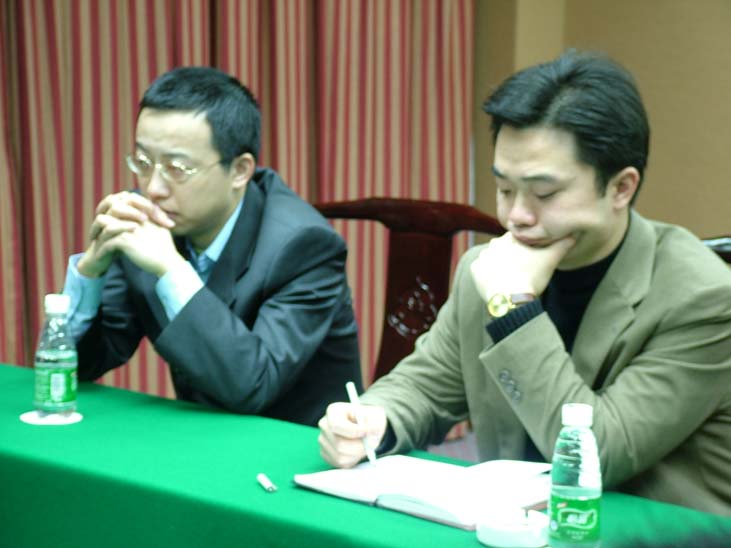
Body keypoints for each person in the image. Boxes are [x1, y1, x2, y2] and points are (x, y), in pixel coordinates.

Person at [318, 50, 731, 515]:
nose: (516, 216)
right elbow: (427, 385)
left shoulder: (705, 297)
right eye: (504, 189)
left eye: (544, 193)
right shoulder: (491, 268)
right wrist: (374, 420)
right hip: (516, 527)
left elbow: (597, 455)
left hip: (657, 532)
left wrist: (513, 308)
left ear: (621, 188)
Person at [64, 66, 361, 426]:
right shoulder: (149, 221)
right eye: (143, 163)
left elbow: (253, 384)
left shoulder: (303, 246)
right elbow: (84, 364)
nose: (153, 188)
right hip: (199, 435)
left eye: (177, 168)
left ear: (240, 170)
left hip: (300, 445)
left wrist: (172, 270)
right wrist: (90, 273)